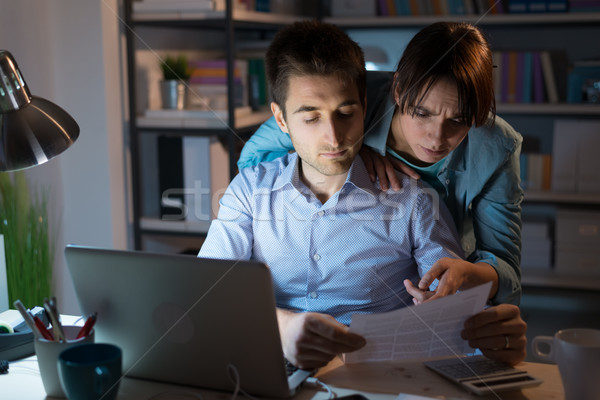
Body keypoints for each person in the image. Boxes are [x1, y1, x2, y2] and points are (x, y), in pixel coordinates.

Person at [200, 21, 526, 368]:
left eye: (346, 114)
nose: (335, 137)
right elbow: (204, 295)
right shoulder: (251, 188)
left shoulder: (422, 196)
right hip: (266, 358)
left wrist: (488, 335)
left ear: (362, 106)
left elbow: (457, 306)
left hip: (372, 366)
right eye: (312, 118)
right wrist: (280, 328)